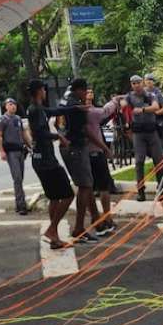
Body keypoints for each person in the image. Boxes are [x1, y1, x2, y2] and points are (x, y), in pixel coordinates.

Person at [25, 80, 75, 248]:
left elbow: (55, 110)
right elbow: (40, 133)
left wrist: (73, 108)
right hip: (47, 162)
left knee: (54, 197)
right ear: (40, 91)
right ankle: (52, 230)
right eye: (44, 90)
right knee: (68, 195)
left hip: (40, 161)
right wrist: (58, 137)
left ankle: (54, 238)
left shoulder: (35, 108)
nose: (45, 92)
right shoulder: (36, 109)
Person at [58, 78, 98, 243]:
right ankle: (78, 228)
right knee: (85, 186)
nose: (86, 95)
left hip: (68, 147)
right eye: (85, 91)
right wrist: (103, 146)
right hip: (75, 147)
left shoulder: (65, 100)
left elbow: (57, 123)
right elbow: (86, 130)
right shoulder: (77, 106)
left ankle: (92, 221)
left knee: (85, 185)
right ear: (80, 90)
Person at [85, 88, 120, 236]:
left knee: (90, 188)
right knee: (102, 187)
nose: (90, 94)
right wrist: (115, 100)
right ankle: (104, 218)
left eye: (92, 92)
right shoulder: (89, 112)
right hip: (95, 152)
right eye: (86, 92)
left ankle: (99, 218)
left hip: (83, 154)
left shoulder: (74, 111)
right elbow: (106, 111)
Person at [126, 75, 163, 201]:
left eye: (138, 82)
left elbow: (156, 107)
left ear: (142, 83)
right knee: (139, 162)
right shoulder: (129, 97)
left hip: (152, 132)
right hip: (138, 133)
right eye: (133, 83)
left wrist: (142, 109)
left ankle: (162, 189)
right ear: (131, 85)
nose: (136, 85)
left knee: (159, 161)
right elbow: (122, 105)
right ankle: (141, 191)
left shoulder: (150, 95)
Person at [0, 98, 33, 215]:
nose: (13, 106)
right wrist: (1, 151)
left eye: (14, 104)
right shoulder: (2, 120)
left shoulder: (17, 119)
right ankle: (22, 206)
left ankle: (19, 203)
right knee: (17, 178)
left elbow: (23, 134)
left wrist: (30, 146)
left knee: (20, 178)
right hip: (11, 152)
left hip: (20, 151)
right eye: (10, 104)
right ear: (6, 106)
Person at [145, 73, 163, 178]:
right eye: (147, 80)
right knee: (153, 146)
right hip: (151, 123)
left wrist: (154, 113)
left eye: (151, 80)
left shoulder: (158, 93)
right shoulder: (143, 93)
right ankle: (159, 166)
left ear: (154, 82)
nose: (149, 82)